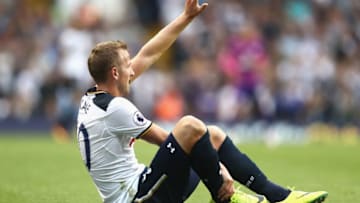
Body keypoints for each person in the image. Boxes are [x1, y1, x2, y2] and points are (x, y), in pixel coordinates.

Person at [76, 0, 328, 202]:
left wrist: (185, 17)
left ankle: (278, 196)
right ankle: (232, 198)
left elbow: (149, 53)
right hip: (137, 197)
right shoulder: (115, 108)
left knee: (213, 135)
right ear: (115, 73)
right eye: (127, 64)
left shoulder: (96, 97)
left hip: (146, 185)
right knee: (190, 127)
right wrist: (219, 170)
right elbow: (170, 140)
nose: (133, 69)